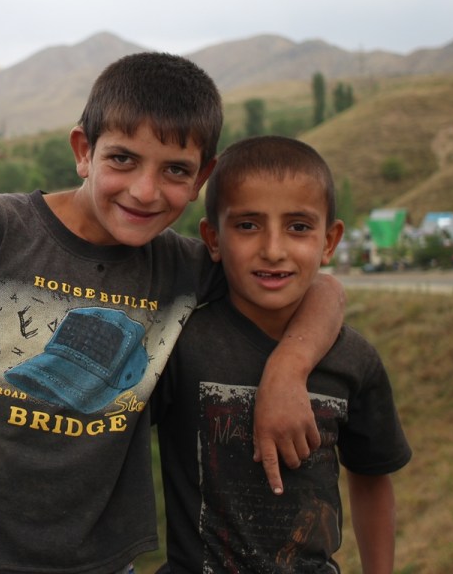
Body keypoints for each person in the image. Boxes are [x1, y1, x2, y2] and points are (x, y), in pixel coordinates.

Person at [0, 53, 345, 574]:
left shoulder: (182, 268)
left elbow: (321, 289)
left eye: (175, 170)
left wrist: (287, 370)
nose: (144, 191)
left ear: (202, 178)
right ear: (83, 151)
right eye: (122, 159)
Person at [155, 136, 411, 573]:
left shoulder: (354, 360)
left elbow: (371, 478)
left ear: (329, 241)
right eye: (247, 225)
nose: (273, 250)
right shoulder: (179, 346)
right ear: (213, 239)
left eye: (298, 227)